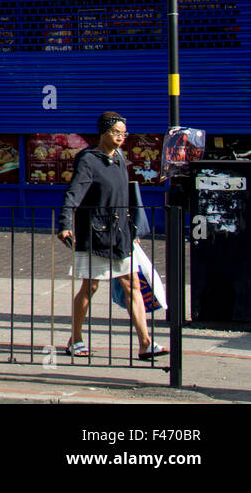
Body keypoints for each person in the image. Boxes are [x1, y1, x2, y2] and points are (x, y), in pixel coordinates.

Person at [59, 111, 167, 361]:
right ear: (103, 133)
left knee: (133, 285)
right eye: (116, 133)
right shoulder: (88, 159)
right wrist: (65, 223)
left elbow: (126, 196)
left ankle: (145, 343)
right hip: (95, 233)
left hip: (120, 234)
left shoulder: (119, 157)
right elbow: (73, 193)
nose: (121, 137)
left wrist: (134, 228)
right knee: (90, 286)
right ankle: (75, 339)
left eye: (123, 133)